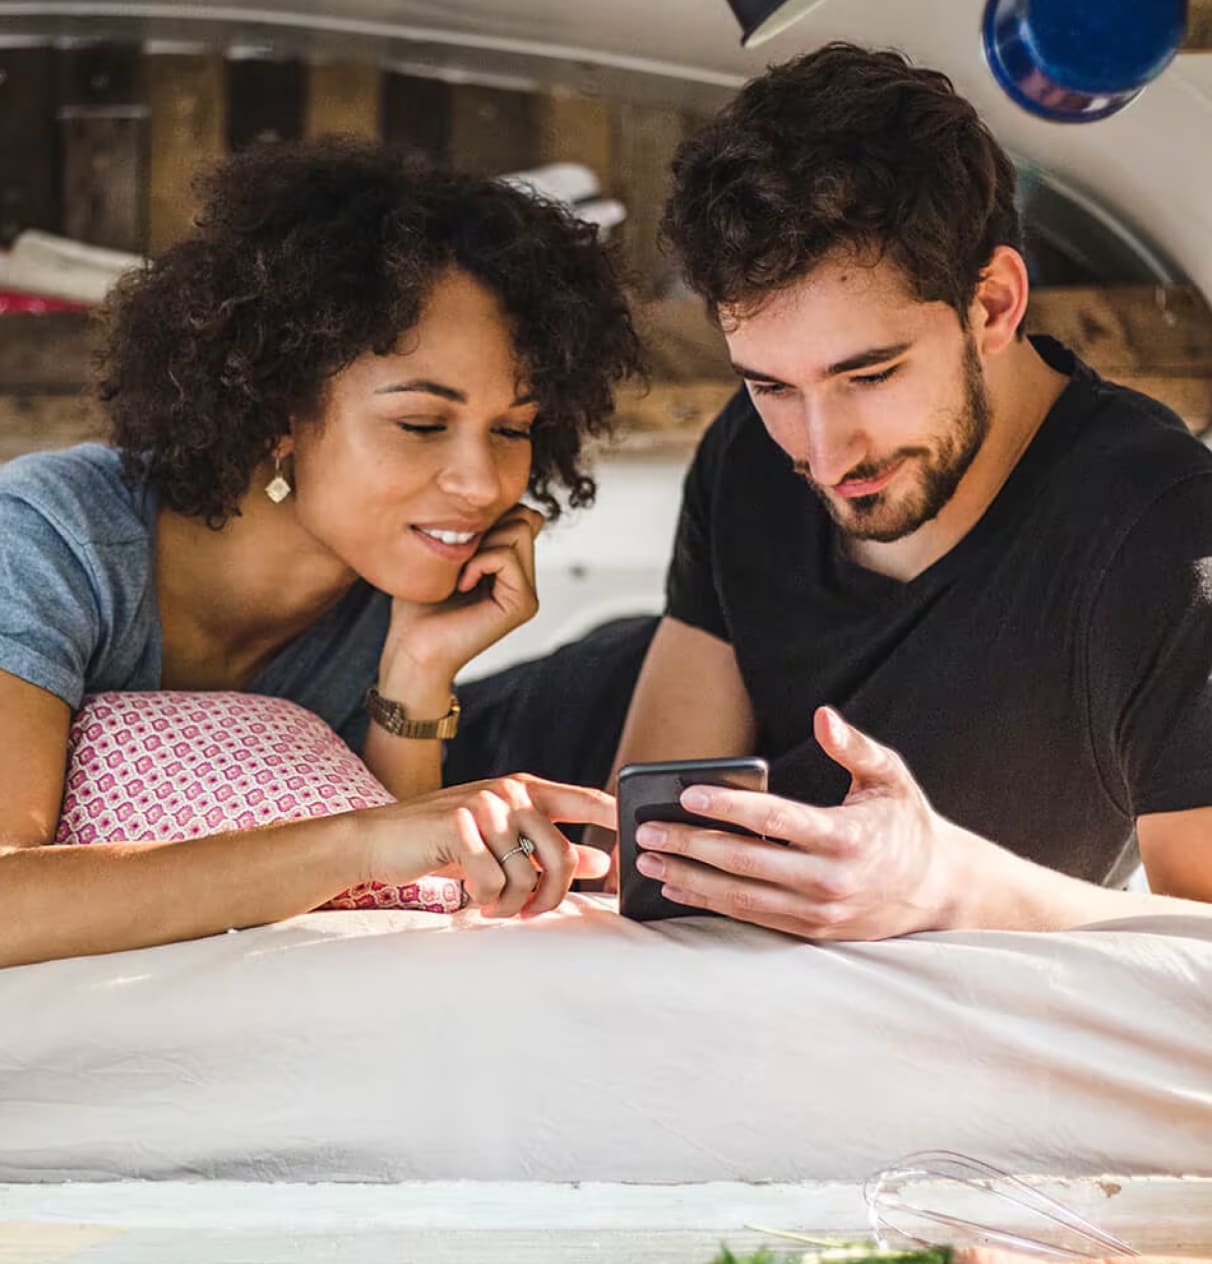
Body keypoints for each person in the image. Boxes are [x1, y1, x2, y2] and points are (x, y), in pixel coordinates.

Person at [592, 42, 1212, 939]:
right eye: (771, 386)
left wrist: (947, 887)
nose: (822, 450)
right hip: (546, 742)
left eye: (869, 375)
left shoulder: (1168, 540)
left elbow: (1199, 965)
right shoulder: (749, 450)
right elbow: (647, 847)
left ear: (993, 305)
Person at [0, 138, 643, 969]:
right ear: (277, 409)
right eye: (420, 424)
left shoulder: (385, 590)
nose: (482, 483)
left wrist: (416, 673)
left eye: (513, 429)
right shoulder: (49, 540)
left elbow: (396, 916)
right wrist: (357, 841)